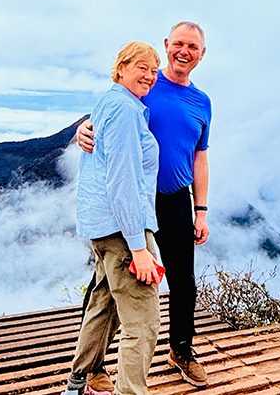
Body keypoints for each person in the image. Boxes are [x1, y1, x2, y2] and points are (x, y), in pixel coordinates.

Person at [78, 22, 212, 388]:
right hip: (136, 199)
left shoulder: (202, 102)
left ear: (202, 54)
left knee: (183, 281)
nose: (185, 51)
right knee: (108, 285)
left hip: (175, 199)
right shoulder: (147, 85)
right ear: (168, 45)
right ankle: (94, 368)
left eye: (193, 47)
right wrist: (82, 129)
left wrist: (201, 210)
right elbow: (110, 115)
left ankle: (181, 351)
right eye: (179, 44)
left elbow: (200, 156)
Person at [64, 42, 164, 395]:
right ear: (121, 67)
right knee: (144, 322)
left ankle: (77, 383)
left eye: (154, 70)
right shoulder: (123, 109)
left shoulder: (111, 102)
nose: (150, 75)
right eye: (142, 67)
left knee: (104, 303)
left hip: (104, 226)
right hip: (123, 228)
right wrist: (139, 247)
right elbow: (122, 182)